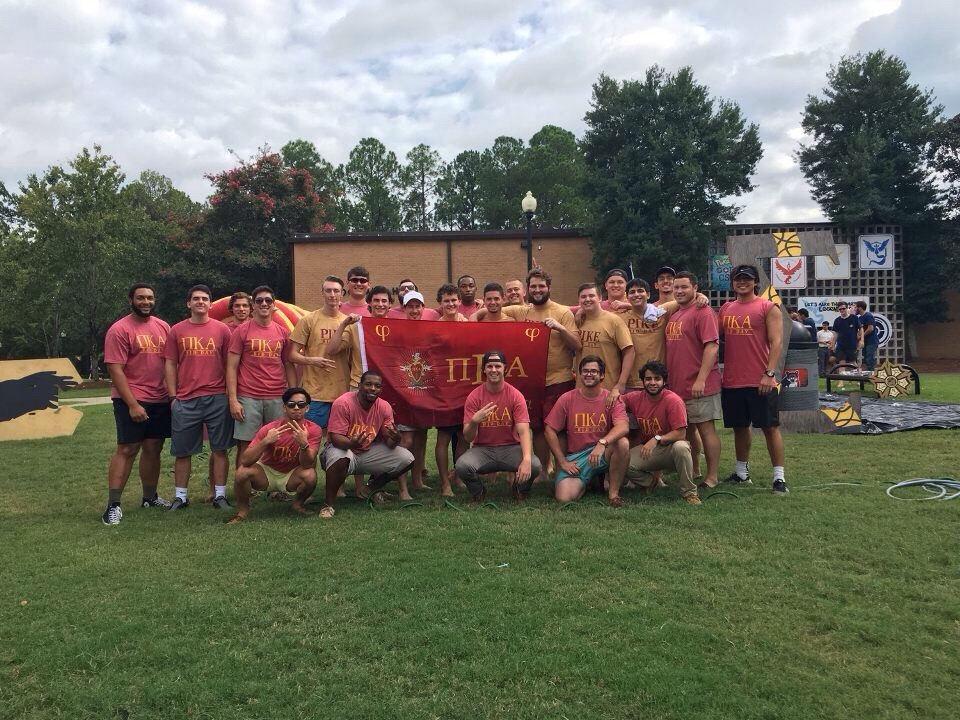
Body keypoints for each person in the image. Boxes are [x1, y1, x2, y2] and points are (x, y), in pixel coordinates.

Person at [491, 268, 582, 481]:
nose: (537, 290)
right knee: (538, 427)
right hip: (532, 380)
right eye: (533, 286)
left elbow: (577, 345)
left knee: (559, 428)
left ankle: (561, 468)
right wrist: (475, 314)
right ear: (527, 289)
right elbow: (493, 308)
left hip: (559, 379)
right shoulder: (522, 311)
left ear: (549, 287)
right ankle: (542, 470)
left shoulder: (562, 312)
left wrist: (560, 328)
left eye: (541, 286)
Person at [101, 283, 172, 524]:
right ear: (131, 300)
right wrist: (132, 404)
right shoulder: (119, 329)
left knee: (153, 448)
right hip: (131, 398)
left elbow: (170, 363)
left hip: (159, 398)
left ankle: (149, 497)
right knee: (127, 449)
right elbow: (115, 369)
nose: (146, 302)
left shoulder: (163, 327)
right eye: (140, 298)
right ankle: (113, 505)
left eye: (150, 298)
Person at [718, 264, 788, 495]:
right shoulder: (726, 309)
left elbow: (776, 342)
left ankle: (779, 478)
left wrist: (769, 373)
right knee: (739, 427)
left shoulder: (768, 307)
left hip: (761, 380)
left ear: (756, 282)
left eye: (747, 278)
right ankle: (741, 473)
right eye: (738, 278)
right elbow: (712, 335)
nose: (742, 282)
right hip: (732, 380)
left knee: (770, 427)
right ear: (732, 283)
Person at [163, 284, 234, 510]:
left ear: (210, 304)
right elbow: (170, 363)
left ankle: (220, 495)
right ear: (189, 303)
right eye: (196, 298)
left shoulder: (222, 330)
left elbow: (230, 364)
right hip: (186, 398)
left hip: (217, 397)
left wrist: (229, 393)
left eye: (204, 298)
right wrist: (173, 397)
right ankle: (181, 497)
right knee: (182, 451)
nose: (200, 302)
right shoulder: (177, 330)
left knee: (220, 449)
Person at [318, 371, 415, 518]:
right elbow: (335, 438)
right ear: (359, 385)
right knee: (340, 456)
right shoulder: (343, 402)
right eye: (368, 384)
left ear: (381, 389)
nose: (373, 389)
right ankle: (328, 505)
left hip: (365, 451)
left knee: (407, 458)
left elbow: (389, 443)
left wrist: (396, 438)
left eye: (377, 386)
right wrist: (351, 442)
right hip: (341, 450)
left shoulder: (384, 406)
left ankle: (371, 488)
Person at [455, 350, 543, 502]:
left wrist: (527, 459)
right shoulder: (474, 396)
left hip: (511, 448)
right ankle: (478, 491)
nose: (494, 370)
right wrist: (474, 421)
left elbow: (524, 432)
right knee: (462, 466)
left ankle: (520, 488)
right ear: (484, 369)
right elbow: (468, 437)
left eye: (498, 366)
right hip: (483, 449)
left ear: (505, 369)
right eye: (489, 366)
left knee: (534, 465)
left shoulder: (515, 395)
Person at [543, 356, 630, 505]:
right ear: (579, 374)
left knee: (622, 443)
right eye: (585, 371)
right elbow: (549, 429)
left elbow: (623, 426)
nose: (589, 374)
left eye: (594, 371)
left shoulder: (610, 398)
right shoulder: (567, 398)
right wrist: (562, 461)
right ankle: (590, 480)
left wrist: (602, 443)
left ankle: (613, 494)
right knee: (564, 498)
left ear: (602, 375)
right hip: (577, 458)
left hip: (602, 452)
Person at [228, 387, 323, 522]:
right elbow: (245, 460)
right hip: (267, 472)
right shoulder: (270, 429)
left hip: (292, 474)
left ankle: (297, 505)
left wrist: (303, 444)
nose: (296, 408)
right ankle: (242, 511)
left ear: (307, 408)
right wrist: (266, 441)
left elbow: (307, 464)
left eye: (301, 404)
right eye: (291, 404)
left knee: (310, 475)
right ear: (284, 408)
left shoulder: (314, 430)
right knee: (242, 472)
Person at [664, 271, 722, 488]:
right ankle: (694, 469)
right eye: (676, 287)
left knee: (706, 429)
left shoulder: (703, 311)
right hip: (677, 386)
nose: (679, 291)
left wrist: (701, 379)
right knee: (687, 430)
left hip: (699, 385)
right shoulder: (676, 313)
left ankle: (712, 476)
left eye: (684, 287)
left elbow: (712, 346)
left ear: (695, 288)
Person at [226, 285, 296, 463]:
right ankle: (244, 480)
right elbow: (231, 367)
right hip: (248, 397)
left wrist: (293, 395)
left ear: (274, 305)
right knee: (246, 445)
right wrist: (233, 400)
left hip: (277, 396)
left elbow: (288, 364)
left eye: (268, 300)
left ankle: (271, 481)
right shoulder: (241, 331)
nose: (264, 303)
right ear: (253, 305)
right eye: (259, 300)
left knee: (277, 443)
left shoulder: (282, 332)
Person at [622, 361, 701, 504]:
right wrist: (613, 393)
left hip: (671, 449)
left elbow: (681, 434)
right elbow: (616, 402)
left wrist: (657, 439)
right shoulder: (634, 398)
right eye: (648, 379)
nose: (652, 382)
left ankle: (689, 493)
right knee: (622, 460)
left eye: (657, 379)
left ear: (664, 381)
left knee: (681, 447)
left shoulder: (673, 401)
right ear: (643, 381)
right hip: (649, 450)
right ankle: (650, 482)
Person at [288, 276, 349, 429]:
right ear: (322, 293)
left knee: (338, 438)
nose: (332, 295)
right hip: (315, 394)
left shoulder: (349, 323)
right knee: (312, 438)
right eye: (328, 290)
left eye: (336, 291)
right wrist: (312, 360)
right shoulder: (308, 320)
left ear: (342, 294)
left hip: (343, 393)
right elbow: (292, 355)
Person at [575, 282, 635, 407]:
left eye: (591, 296)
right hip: (582, 389)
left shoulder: (614, 321)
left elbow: (629, 351)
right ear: (579, 300)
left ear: (600, 298)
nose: (587, 299)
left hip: (608, 390)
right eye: (583, 297)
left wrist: (621, 384)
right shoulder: (578, 321)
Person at [831, 301, 861, 367]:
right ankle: (842, 374)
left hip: (852, 346)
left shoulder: (854, 318)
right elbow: (835, 334)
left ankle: (858, 373)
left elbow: (861, 329)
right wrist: (833, 345)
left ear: (847, 308)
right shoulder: (837, 320)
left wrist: (861, 341)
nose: (842, 310)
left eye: (843, 308)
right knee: (842, 364)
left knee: (853, 364)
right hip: (840, 346)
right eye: (840, 309)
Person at [855, 301, 879, 371]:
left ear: (860, 308)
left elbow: (870, 328)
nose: (855, 309)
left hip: (872, 341)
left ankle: (872, 375)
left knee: (870, 359)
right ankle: (869, 374)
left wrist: (861, 336)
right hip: (865, 342)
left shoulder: (868, 315)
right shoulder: (860, 318)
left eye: (856, 307)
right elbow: (860, 329)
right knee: (866, 359)